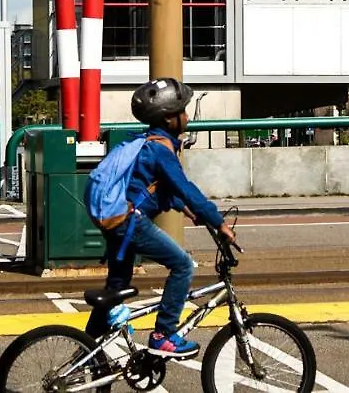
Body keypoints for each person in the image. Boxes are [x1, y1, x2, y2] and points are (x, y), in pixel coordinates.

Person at [85, 77, 236, 359]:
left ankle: (85, 347)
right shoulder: (160, 149)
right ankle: (163, 334)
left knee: (116, 288)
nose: (188, 116)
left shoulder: (147, 143)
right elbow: (185, 187)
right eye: (183, 111)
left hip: (118, 221)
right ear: (170, 119)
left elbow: (153, 188)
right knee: (182, 265)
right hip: (130, 223)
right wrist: (218, 222)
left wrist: (183, 208)